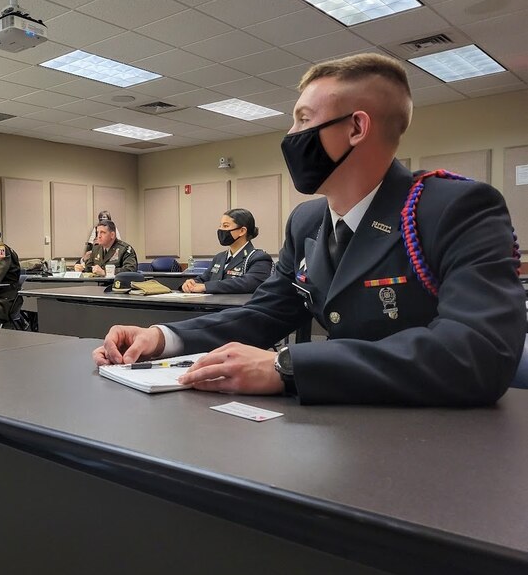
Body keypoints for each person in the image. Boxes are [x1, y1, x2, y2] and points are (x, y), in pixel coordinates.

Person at [94, 53, 526, 406]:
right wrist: (163, 338)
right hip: (340, 426)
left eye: (303, 119)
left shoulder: (454, 207)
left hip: (440, 439)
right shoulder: (307, 222)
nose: (291, 135)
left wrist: (288, 365)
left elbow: (478, 353)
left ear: (356, 128)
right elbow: (265, 313)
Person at [181, 208, 273, 294]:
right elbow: (203, 279)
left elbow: (248, 283)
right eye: (220, 225)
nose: (221, 230)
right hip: (210, 306)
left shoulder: (259, 258)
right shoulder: (219, 257)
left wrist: (206, 287)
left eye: (225, 226)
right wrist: (192, 283)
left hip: (237, 308)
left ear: (242, 231)